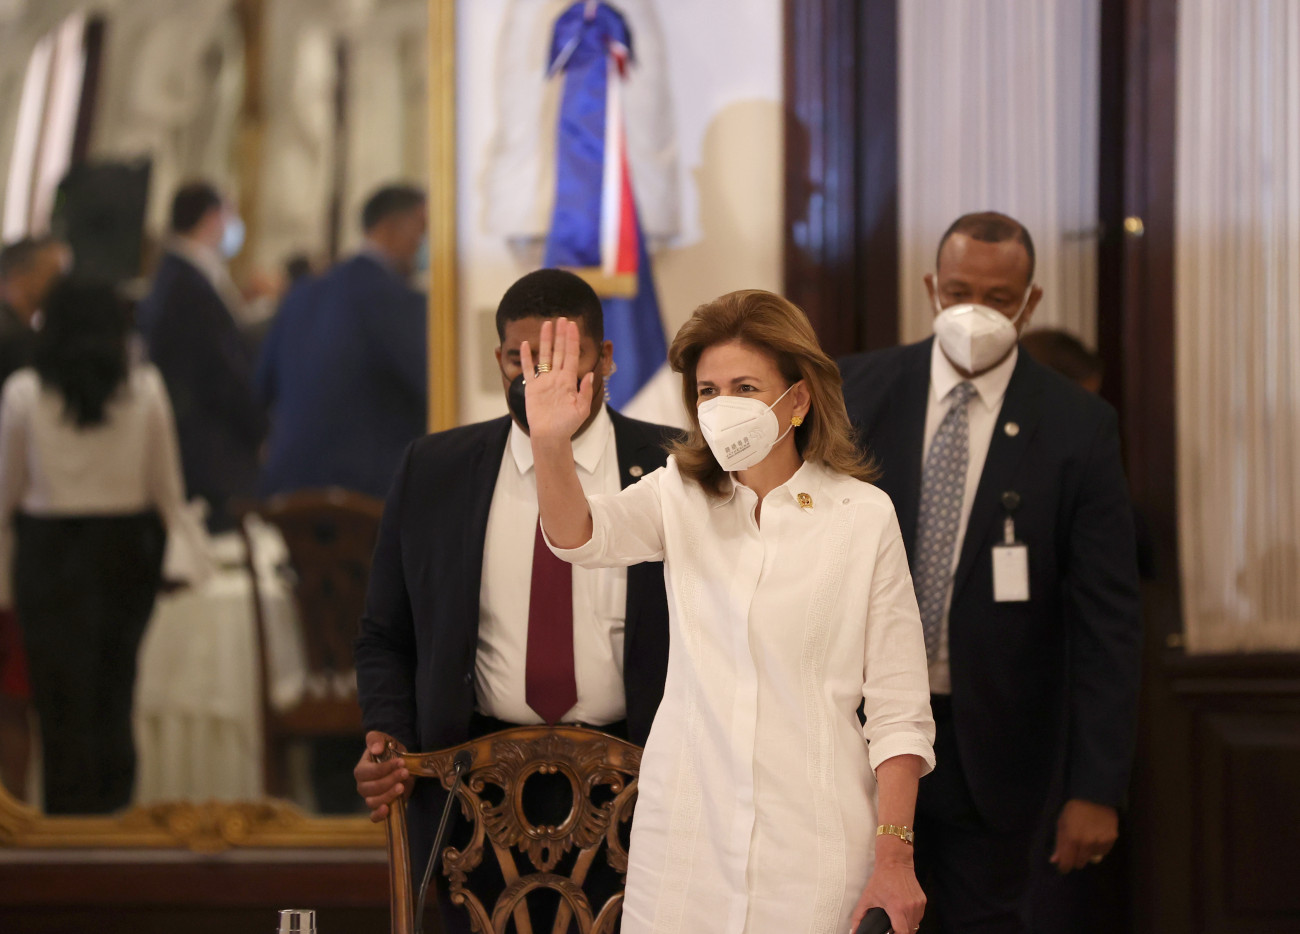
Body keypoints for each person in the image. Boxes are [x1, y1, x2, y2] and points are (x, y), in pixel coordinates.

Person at [523, 290, 935, 934]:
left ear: (798, 400)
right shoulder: (678, 492)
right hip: (687, 841)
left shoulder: (863, 515)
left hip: (815, 844)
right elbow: (579, 537)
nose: (722, 406)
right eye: (708, 391)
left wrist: (895, 856)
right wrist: (551, 443)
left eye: (745, 387)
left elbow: (899, 710)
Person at [839, 212, 1143, 933]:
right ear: (931, 289)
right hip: (862, 734)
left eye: (999, 298)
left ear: (1030, 302)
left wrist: (1096, 786)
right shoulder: (855, 390)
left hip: (997, 752)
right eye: (958, 291)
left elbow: (1108, 619)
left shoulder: (1077, 424)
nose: (974, 311)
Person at [353, 269, 674, 934]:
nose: (537, 382)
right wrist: (389, 737)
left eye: (558, 361)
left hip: (640, 786)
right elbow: (386, 633)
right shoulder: (434, 470)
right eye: (519, 362)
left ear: (605, 358)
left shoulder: (674, 467)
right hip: (474, 793)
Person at [0, 279, 213, 813]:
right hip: (125, 551)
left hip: (48, 555)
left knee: (58, 707)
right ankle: (115, 827)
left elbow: (5, 496)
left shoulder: (24, 392)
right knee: (115, 697)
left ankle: (67, 835)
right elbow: (167, 492)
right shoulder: (146, 389)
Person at [256, 184, 428, 499]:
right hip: (364, 498)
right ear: (391, 226)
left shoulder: (302, 293)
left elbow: (263, 387)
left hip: (285, 489)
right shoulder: (398, 300)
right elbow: (432, 389)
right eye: (423, 227)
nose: (426, 240)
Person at [137, 181, 267, 532]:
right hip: (208, 449)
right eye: (229, 214)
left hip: (197, 441)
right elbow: (222, 370)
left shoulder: (177, 273)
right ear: (212, 218)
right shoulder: (188, 282)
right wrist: (260, 428)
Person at [0, 235, 69, 802]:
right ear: (24, 275)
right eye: (55, 271)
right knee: (13, 698)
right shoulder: (19, 347)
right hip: (12, 541)